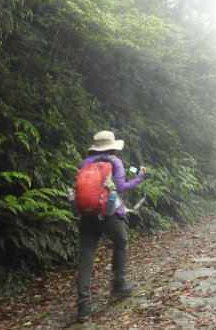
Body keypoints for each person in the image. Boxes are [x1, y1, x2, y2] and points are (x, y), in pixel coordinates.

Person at [75, 130, 146, 323]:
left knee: (86, 258)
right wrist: (139, 177)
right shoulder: (114, 161)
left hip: (87, 216)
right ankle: (118, 285)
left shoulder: (84, 164)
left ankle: (83, 308)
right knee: (122, 242)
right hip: (108, 214)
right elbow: (121, 187)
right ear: (112, 146)